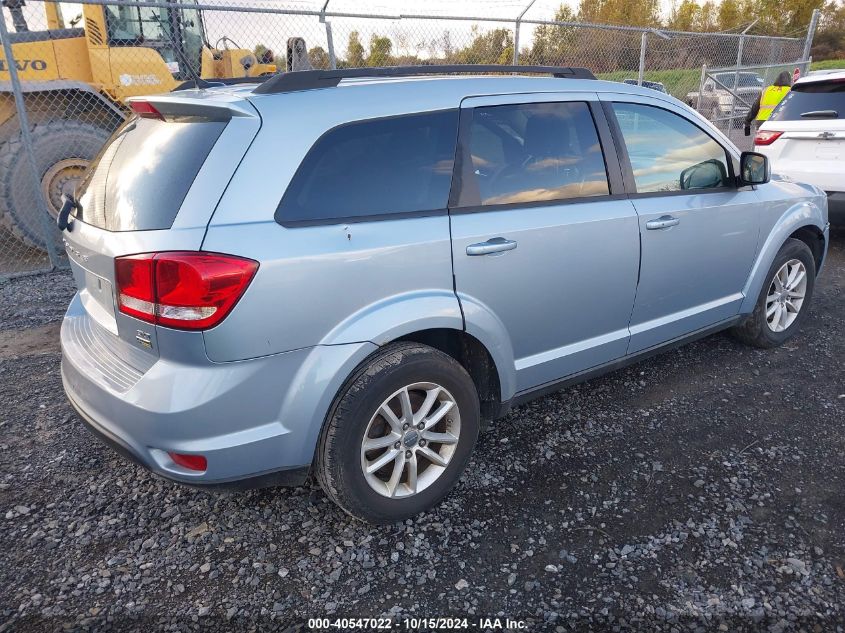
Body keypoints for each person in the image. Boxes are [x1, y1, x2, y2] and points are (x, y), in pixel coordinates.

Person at [744, 71, 792, 136]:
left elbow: (755, 107)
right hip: (778, 121)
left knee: (761, 143)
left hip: (761, 121)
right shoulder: (790, 91)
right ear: (789, 80)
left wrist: (747, 121)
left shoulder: (766, 90)